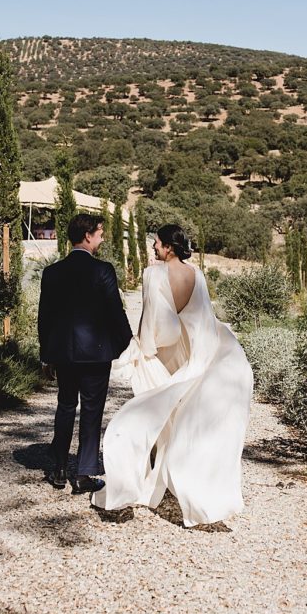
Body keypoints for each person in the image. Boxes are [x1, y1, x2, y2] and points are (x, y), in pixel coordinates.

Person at [93, 224, 254, 526]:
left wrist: (143, 348)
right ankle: (183, 483)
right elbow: (204, 320)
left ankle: (150, 476)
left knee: (153, 411)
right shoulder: (198, 275)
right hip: (196, 353)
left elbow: (154, 320)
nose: (153, 247)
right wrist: (199, 357)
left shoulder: (152, 274)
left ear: (168, 247)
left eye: (156, 243)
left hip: (165, 353)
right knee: (184, 414)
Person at [37, 213, 133, 494]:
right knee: (92, 411)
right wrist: (124, 343)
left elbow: (45, 318)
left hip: (64, 354)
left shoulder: (52, 272)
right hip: (96, 355)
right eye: (100, 233)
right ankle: (84, 474)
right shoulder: (103, 270)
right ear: (88, 235)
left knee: (65, 406)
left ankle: (58, 469)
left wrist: (47, 354)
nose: (102, 238)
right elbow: (116, 312)